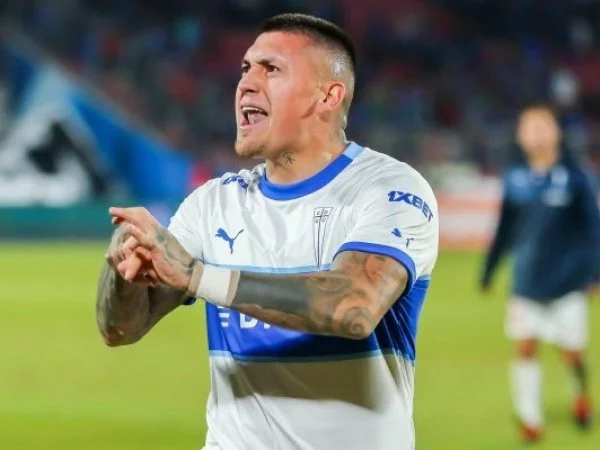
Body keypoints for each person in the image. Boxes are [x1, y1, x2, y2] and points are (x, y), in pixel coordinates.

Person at [96, 13, 439, 450]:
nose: (246, 83)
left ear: (328, 95)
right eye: (245, 68)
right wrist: (123, 265)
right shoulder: (214, 203)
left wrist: (199, 277)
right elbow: (121, 329)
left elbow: (354, 306)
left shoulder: (389, 189)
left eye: (271, 69)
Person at [480, 103, 600, 442]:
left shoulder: (576, 177)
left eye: (541, 126)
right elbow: (504, 229)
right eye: (529, 127)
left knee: (572, 352)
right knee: (526, 347)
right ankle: (530, 419)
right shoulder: (515, 178)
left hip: (567, 283)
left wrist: (595, 275)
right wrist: (489, 270)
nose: (535, 134)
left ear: (555, 132)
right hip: (527, 282)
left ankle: (580, 395)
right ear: (520, 135)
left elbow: (593, 230)